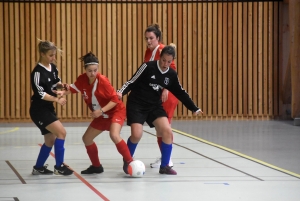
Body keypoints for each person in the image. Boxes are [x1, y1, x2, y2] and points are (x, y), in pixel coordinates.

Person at [117, 45, 203, 175]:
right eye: (163, 60)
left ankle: (165, 166)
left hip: (154, 106)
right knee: (137, 134)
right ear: (160, 57)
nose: (165, 64)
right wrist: (120, 92)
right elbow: (131, 82)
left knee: (167, 131)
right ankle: (127, 160)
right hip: (137, 104)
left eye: (169, 62)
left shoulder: (171, 74)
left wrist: (194, 108)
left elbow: (180, 92)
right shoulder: (147, 66)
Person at [59, 52, 133, 174]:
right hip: (101, 115)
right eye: (89, 71)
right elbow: (73, 89)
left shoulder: (103, 81)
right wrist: (62, 93)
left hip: (115, 111)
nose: (93, 73)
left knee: (114, 135)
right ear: (85, 70)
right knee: (87, 138)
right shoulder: (82, 79)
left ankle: (130, 162)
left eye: (95, 70)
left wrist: (101, 111)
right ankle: (96, 166)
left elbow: (115, 100)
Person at [30, 40, 73, 176]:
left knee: (50, 139)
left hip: (48, 109)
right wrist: (57, 99)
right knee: (62, 133)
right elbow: (41, 93)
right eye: (50, 55)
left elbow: (55, 83)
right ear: (42, 54)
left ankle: (38, 167)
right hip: (39, 110)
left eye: (54, 55)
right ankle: (59, 167)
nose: (53, 58)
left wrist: (62, 86)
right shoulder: (37, 72)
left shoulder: (53, 68)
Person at [144, 24, 179, 168]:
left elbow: (172, 70)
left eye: (151, 38)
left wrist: (165, 88)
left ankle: (168, 159)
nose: (148, 41)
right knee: (159, 129)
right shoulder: (148, 52)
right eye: (146, 38)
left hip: (167, 96)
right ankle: (164, 157)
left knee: (165, 128)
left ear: (158, 38)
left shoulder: (161, 50)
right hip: (156, 95)